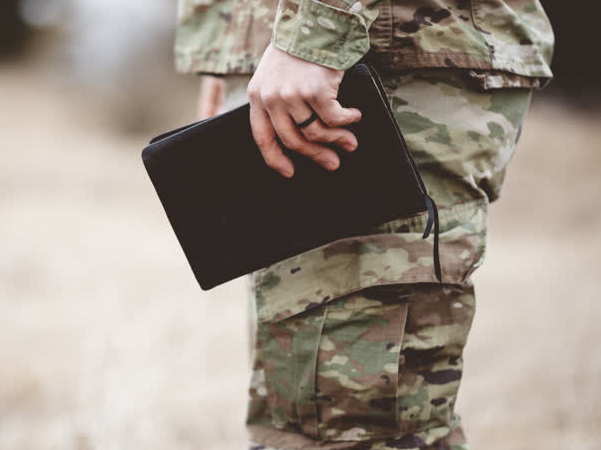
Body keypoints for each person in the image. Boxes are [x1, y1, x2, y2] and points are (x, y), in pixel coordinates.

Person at [175, 1, 554, 449]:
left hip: (377, 61)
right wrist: (234, 50)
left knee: (354, 429)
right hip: (303, 63)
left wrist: (313, 34)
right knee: (295, 424)